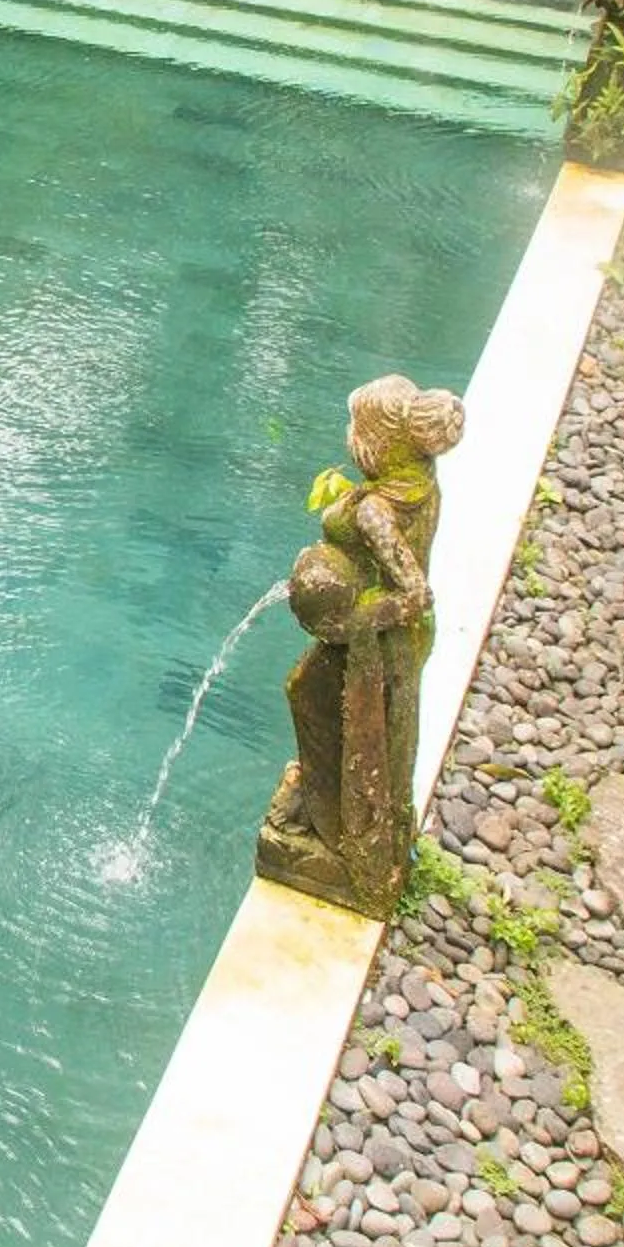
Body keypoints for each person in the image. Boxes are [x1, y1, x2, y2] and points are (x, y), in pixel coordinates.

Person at [256, 374, 466, 917]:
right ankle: (340, 811)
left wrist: (350, 619)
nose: (350, 437)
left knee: (319, 701)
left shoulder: (378, 508)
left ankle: (341, 837)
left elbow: (415, 593)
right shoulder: (417, 480)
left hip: (382, 642)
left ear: (378, 440)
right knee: (332, 705)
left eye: (356, 427)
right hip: (392, 640)